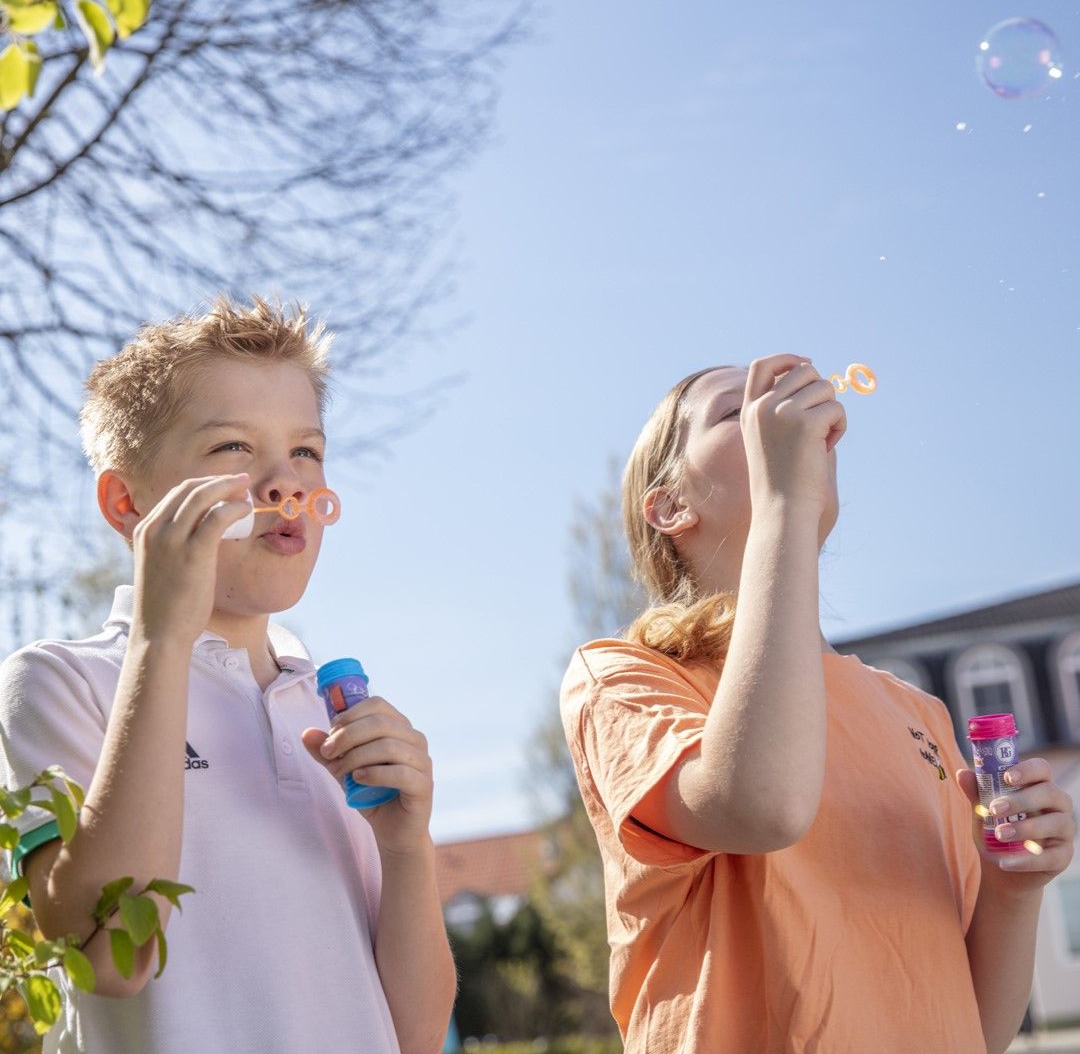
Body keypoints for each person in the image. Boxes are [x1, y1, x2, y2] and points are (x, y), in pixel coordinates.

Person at [559, 354, 1075, 1053]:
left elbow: (975, 1028)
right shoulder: (624, 679)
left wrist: (1016, 885)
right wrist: (785, 504)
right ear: (671, 505)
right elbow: (763, 806)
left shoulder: (916, 712)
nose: (774, 414)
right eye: (736, 411)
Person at [0, 297, 456, 1053]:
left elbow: (412, 1033)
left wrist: (408, 848)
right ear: (127, 503)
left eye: (306, 452)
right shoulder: (57, 684)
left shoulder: (332, 709)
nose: (284, 483)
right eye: (235, 449)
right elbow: (113, 956)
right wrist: (160, 641)